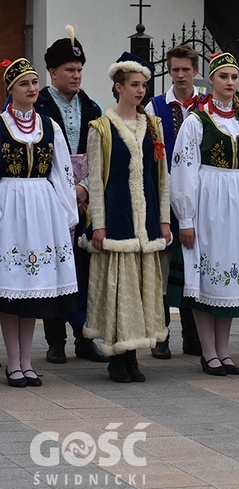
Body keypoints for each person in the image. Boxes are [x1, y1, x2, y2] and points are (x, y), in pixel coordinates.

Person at [171, 52, 239, 376]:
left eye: (234, 78)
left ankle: (224, 351)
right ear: (212, 81)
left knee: (231, 280)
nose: (230, 83)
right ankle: (208, 352)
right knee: (209, 279)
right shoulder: (196, 120)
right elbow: (183, 169)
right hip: (209, 204)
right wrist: (186, 218)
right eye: (223, 77)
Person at [80, 52, 170, 383]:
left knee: (142, 288)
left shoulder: (153, 125)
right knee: (119, 288)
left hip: (144, 218)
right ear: (118, 87)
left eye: (144, 85)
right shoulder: (101, 128)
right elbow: (96, 180)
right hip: (117, 215)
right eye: (134, 85)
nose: (140, 91)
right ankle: (117, 357)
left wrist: (163, 220)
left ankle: (134, 356)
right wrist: (99, 224)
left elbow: (161, 177)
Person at [0, 58, 77, 387]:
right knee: (11, 288)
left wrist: (67, 216)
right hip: (9, 209)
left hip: (41, 209)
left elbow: (63, 174)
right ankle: (12, 361)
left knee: (32, 290)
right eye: (24, 84)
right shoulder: (0, 124)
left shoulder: (50, 126)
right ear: (11, 90)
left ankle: (27, 361)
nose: (32, 89)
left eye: (34, 83)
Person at [34, 26, 108, 365]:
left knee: (85, 266)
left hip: (85, 198)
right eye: (69, 70)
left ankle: (84, 336)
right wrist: (65, 190)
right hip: (50, 196)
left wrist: (85, 189)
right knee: (55, 264)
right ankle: (54, 339)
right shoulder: (40, 105)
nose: (76, 75)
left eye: (79, 70)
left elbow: (100, 155)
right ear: (52, 72)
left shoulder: (92, 107)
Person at [145, 44, 204, 359]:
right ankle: (161, 335)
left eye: (186, 69)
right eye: (175, 69)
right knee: (164, 268)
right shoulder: (156, 106)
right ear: (169, 71)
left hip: (201, 198)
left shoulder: (207, 106)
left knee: (195, 265)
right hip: (165, 196)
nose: (180, 75)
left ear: (195, 70)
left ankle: (194, 336)